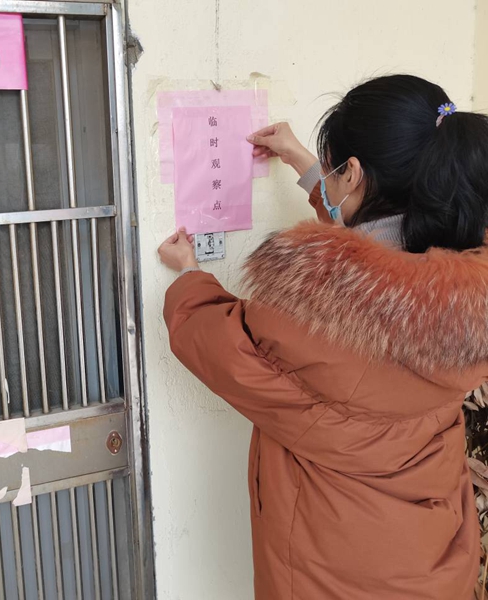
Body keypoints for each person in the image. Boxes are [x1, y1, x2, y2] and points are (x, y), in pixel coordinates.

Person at [158, 74, 488, 599]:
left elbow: (220, 346)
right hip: (432, 554)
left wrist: (190, 276)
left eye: (333, 170)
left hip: (333, 565)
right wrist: (305, 166)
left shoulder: (309, 306)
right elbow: (377, 249)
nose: (328, 182)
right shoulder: (467, 282)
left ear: (352, 174)